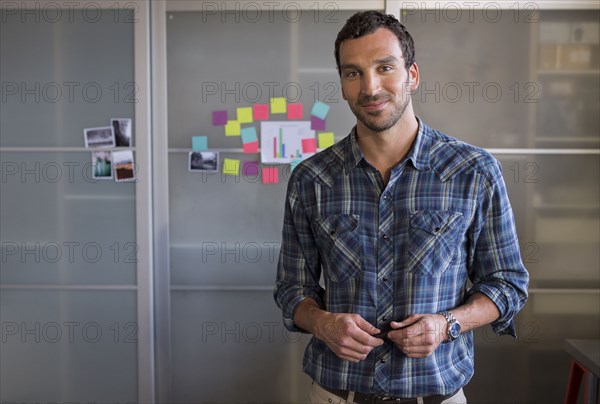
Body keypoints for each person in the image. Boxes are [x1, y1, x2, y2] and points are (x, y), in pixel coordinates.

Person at [274, 10, 529, 404]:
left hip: (437, 395)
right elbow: (292, 289)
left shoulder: (473, 171)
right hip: (336, 395)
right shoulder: (311, 178)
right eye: (353, 72)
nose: (370, 87)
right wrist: (322, 322)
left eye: (384, 67)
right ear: (341, 85)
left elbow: (508, 284)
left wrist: (448, 324)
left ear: (412, 74)